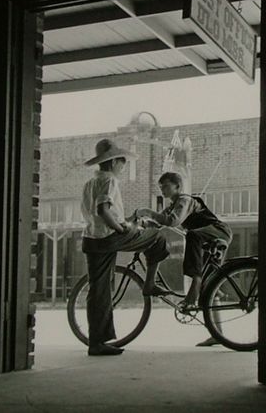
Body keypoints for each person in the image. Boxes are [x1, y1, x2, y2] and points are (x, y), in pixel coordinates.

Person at [81, 138, 170, 356]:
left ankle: (97, 343)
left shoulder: (90, 183)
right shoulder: (110, 180)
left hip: (91, 238)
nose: (123, 166)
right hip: (110, 236)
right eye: (122, 162)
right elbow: (103, 210)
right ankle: (149, 284)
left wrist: (127, 221)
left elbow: (97, 213)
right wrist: (122, 229)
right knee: (157, 237)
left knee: (98, 290)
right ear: (113, 162)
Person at [136, 171, 232, 311]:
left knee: (192, 236)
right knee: (210, 285)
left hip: (218, 231)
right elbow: (157, 223)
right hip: (205, 239)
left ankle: (195, 284)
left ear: (178, 186)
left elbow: (172, 221)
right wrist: (139, 222)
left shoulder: (184, 200)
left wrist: (148, 212)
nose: (162, 189)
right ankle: (216, 330)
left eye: (166, 186)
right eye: (161, 187)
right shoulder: (172, 206)